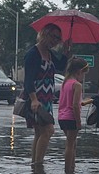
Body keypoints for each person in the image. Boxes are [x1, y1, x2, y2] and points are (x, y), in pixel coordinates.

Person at [23, 23, 70, 165]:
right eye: (54, 37)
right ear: (45, 34)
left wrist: (66, 51)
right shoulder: (33, 54)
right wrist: (33, 100)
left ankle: (35, 166)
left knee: (40, 132)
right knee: (48, 131)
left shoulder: (49, 53)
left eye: (58, 39)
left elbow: (61, 66)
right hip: (37, 98)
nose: (56, 41)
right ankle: (38, 165)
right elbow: (28, 80)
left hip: (47, 98)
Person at [57, 57, 92, 174]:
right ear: (78, 72)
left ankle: (72, 167)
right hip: (71, 117)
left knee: (72, 143)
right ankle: (68, 171)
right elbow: (75, 106)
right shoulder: (77, 85)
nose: (83, 77)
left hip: (62, 117)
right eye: (83, 74)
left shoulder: (65, 83)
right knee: (70, 144)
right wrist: (78, 121)